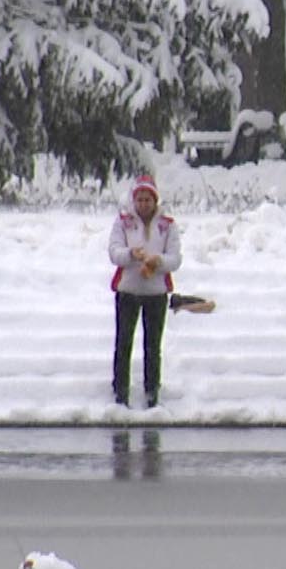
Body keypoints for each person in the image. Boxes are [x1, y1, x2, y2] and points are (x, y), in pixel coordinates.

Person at [107, 174, 182, 408]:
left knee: (152, 345)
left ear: (155, 200)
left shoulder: (167, 225)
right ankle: (120, 390)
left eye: (147, 199)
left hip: (156, 292)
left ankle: (152, 391)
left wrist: (157, 261)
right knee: (124, 342)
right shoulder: (123, 222)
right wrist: (131, 255)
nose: (143, 204)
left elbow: (175, 258)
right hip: (128, 290)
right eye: (139, 199)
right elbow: (114, 252)